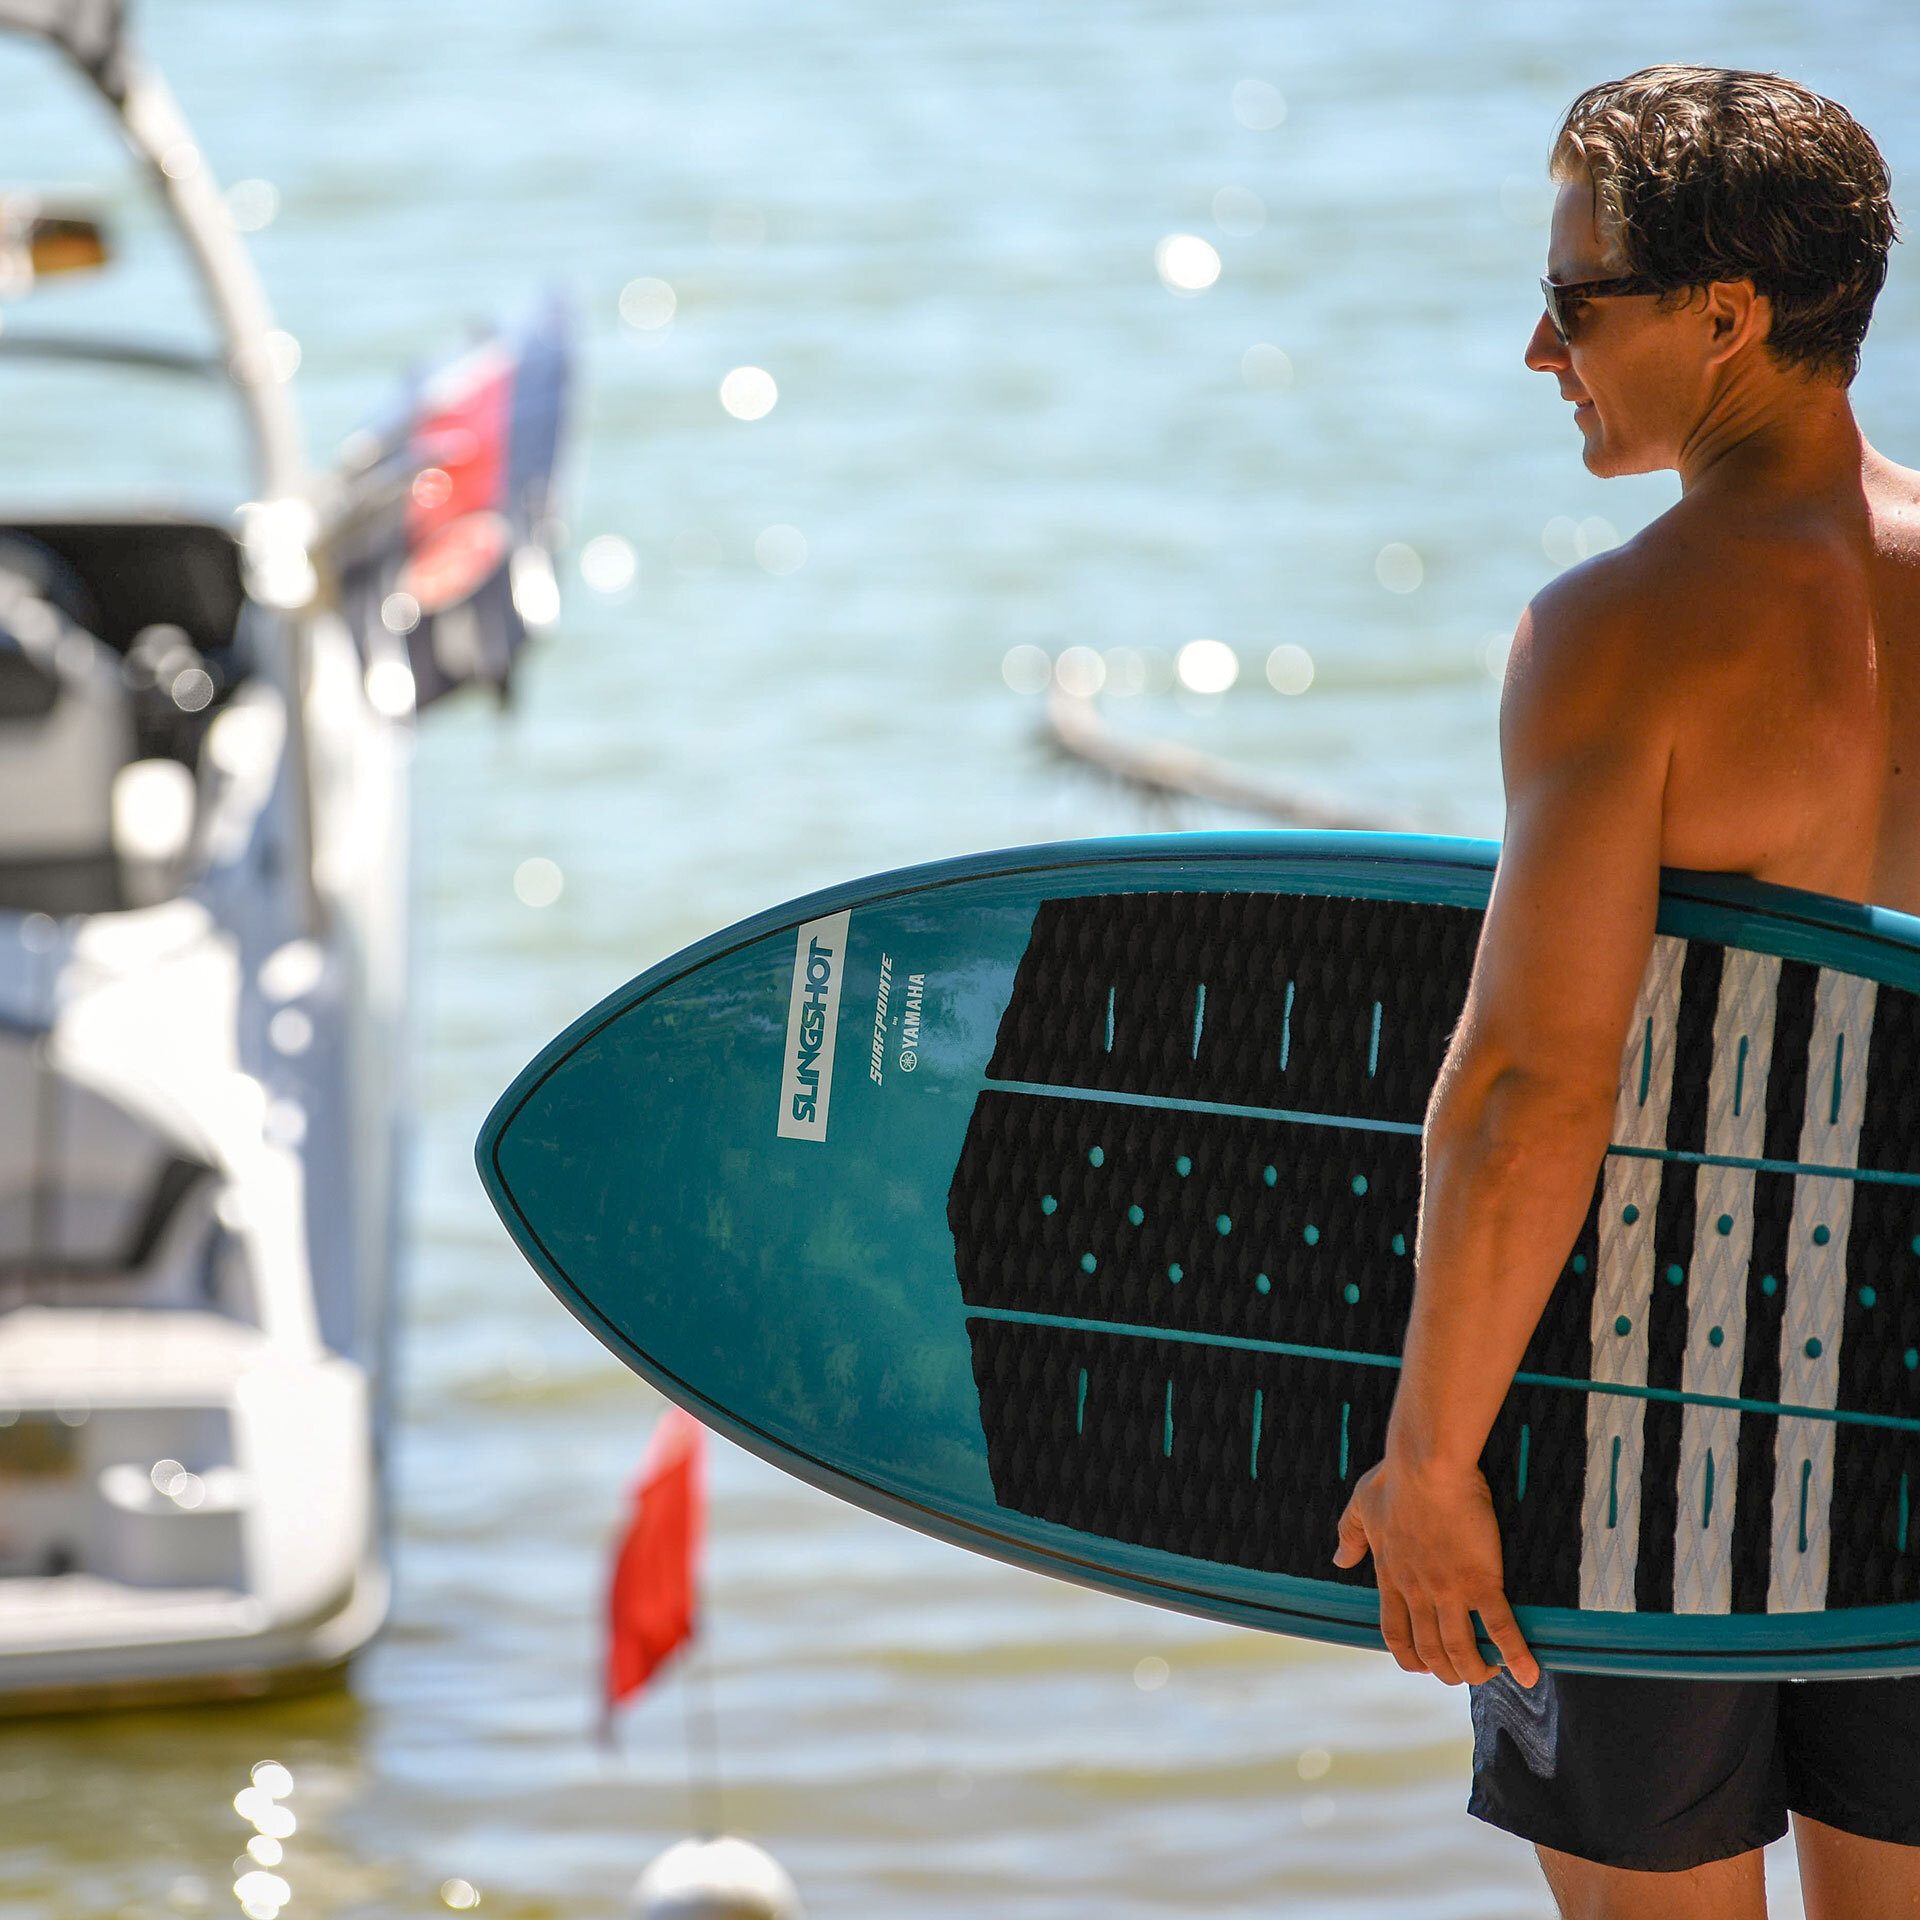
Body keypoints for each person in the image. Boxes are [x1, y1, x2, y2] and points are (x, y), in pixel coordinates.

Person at [1330, 65, 1920, 1920]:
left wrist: (1432, 1460)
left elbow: (1531, 1090)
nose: (1538, 349)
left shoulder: (1619, 635)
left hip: (1655, 1452)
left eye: (1575, 300)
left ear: (1728, 315)